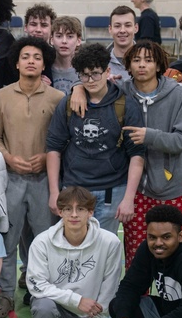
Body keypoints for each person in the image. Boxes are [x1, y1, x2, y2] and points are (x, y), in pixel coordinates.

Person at [76, 40, 182, 267]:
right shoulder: (120, 91)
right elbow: (90, 81)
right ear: (128, 65)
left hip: (173, 188)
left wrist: (150, 136)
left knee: (178, 256)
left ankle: (174, 301)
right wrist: (77, 88)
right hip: (135, 191)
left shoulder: (178, 95)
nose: (142, 65)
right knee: (137, 257)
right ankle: (138, 302)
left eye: (148, 60)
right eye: (136, 60)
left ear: (159, 65)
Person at [0, 37, 65, 318]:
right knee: (7, 241)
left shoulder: (58, 98)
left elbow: (63, 140)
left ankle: (38, 292)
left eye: (36, 56)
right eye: (25, 56)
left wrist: (46, 157)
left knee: (43, 242)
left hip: (45, 181)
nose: (31, 60)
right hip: (9, 179)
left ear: (44, 63)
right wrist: (8, 158)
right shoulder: (1, 96)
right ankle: (6, 294)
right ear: (17, 62)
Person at [46, 43, 145, 235]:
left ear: (107, 71)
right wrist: (53, 192)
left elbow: (137, 154)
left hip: (112, 190)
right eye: (84, 75)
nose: (90, 80)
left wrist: (128, 198)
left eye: (95, 73)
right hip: (74, 187)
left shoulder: (126, 105)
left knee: (105, 251)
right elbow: (53, 148)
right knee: (74, 248)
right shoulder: (68, 104)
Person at [26, 186, 122, 318]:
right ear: (59, 212)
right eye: (68, 209)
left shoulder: (110, 242)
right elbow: (36, 285)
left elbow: (110, 285)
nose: (74, 215)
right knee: (43, 307)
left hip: (84, 313)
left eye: (81, 209)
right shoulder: (42, 242)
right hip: (55, 305)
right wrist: (76, 300)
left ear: (91, 212)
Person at [49, 16, 82, 95]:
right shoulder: (45, 68)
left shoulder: (85, 69)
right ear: (52, 40)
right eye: (59, 36)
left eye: (70, 36)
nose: (64, 41)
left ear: (78, 41)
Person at [107, 5, 137, 81]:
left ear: (136, 28)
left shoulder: (149, 60)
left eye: (128, 25)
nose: (122, 30)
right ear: (110, 29)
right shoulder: (100, 61)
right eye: (117, 26)